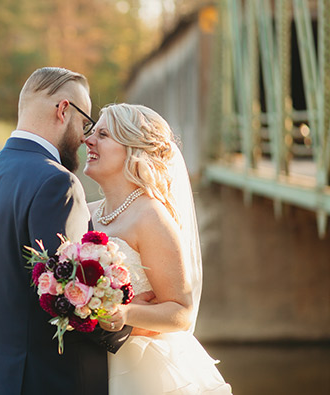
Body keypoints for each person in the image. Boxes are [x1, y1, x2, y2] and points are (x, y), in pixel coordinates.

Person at [0, 67, 132, 395]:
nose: (84, 137)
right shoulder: (57, 182)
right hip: (44, 380)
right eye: (85, 122)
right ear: (63, 110)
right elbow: (66, 299)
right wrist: (128, 327)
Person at [83, 103, 232, 394]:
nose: (88, 139)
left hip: (143, 371)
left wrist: (124, 314)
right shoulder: (85, 212)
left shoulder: (151, 217)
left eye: (103, 134)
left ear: (132, 150)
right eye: (92, 132)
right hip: (90, 359)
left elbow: (181, 311)